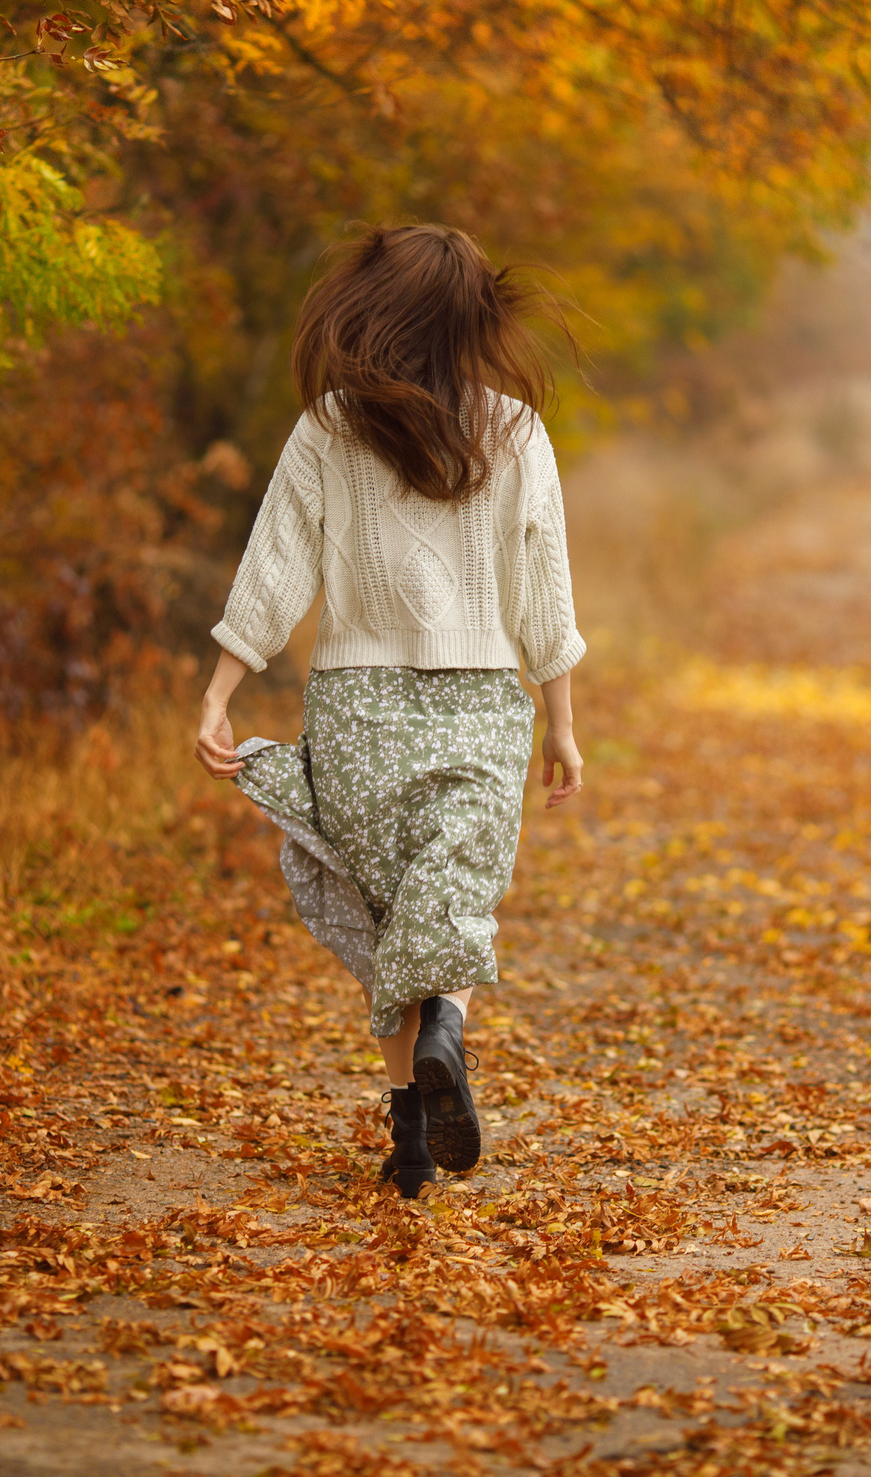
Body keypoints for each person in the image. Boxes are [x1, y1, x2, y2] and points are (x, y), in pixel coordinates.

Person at [193, 223, 585, 1200]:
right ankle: (447, 1036)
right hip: (482, 710)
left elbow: (274, 564)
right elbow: (546, 594)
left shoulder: (328, 425)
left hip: (360, 712)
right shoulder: (516, 432)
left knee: (390, 919)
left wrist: (218, 692)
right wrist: (564, 724)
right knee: (446, 907)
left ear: (377, 309)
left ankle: (411, 1137)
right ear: (469, 322)